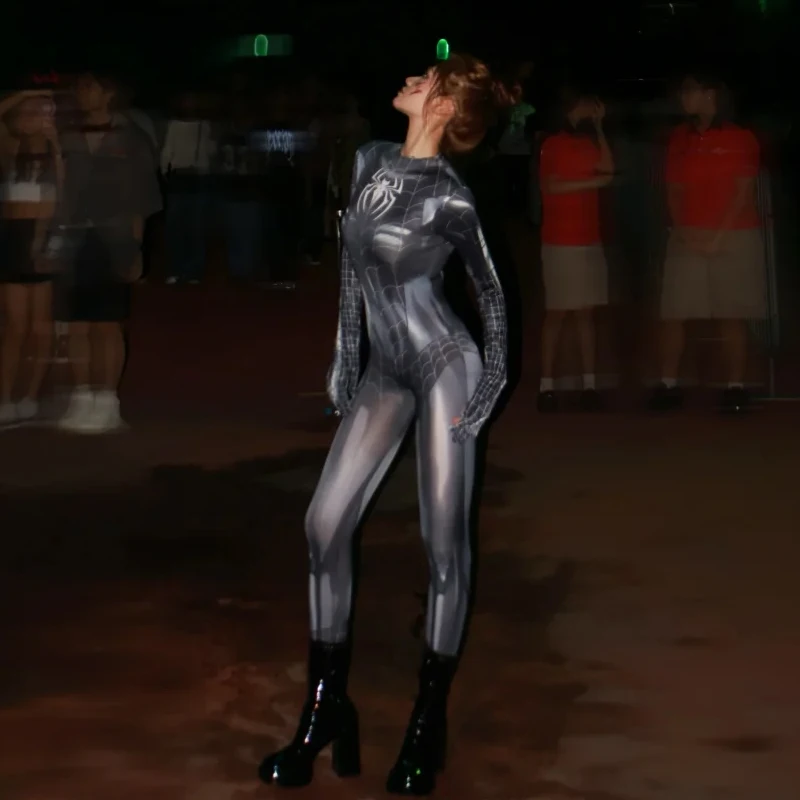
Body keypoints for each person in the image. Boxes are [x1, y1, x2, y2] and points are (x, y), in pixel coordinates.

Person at [258, 54, 509, 796]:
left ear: (445, 107)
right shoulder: (369, 158)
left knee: (443, 542)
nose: (411, 79)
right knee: (323, 527)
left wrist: (491, 382)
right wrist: (345, 350)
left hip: (443, 366)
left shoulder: (452, 197)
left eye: (428, 80)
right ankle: (325, 708)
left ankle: (427, 721)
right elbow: (350, 267)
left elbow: (492, 294)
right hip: (383, 371)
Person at [51, 70, 162, 433]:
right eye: (79, 87)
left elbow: (142, 196)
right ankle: (82, 398)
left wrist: (135, 247)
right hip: (73, 236)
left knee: (108, 324)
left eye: (90, 87)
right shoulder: (67, 135)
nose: (82, 93)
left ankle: (107, 401)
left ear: (109, 92)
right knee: (76, 325)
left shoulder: (131, 137)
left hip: (113, 236)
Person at [650, 72, 765, 413]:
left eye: (691, 90)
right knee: (674, 314)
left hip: (733, 236)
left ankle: (735, 387)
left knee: (731, 314)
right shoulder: (679, 138)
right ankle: (668, 384)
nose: (683, 97)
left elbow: (743, 193)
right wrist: (684, 231)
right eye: (683, 90)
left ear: (711, 94)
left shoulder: (741, 138)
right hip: (687, 235)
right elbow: (673, 189)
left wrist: (718, 238)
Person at [537, 91, 614, 412]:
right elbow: (551, 186)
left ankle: (589, 384)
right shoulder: (553, 144)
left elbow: (608, 169)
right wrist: (591, 184)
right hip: (561, 240)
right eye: (585, 103)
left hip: (588, 237)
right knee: (557, 313)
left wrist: (600, 128)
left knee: (585, 313)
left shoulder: (587, 142)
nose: (590, 108)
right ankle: (547, 385)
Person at [0, 89, 63, 424]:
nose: (29, 119)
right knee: (13, 326)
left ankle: (30, 396)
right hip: (12, 238)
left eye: (37, 112)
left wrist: (55, 143)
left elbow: (65, 191)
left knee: (40, 326)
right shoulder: (10, 148)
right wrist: (27, 93)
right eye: (24, 113)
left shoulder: (57, 151)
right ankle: (5, 398)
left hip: (45, 235)